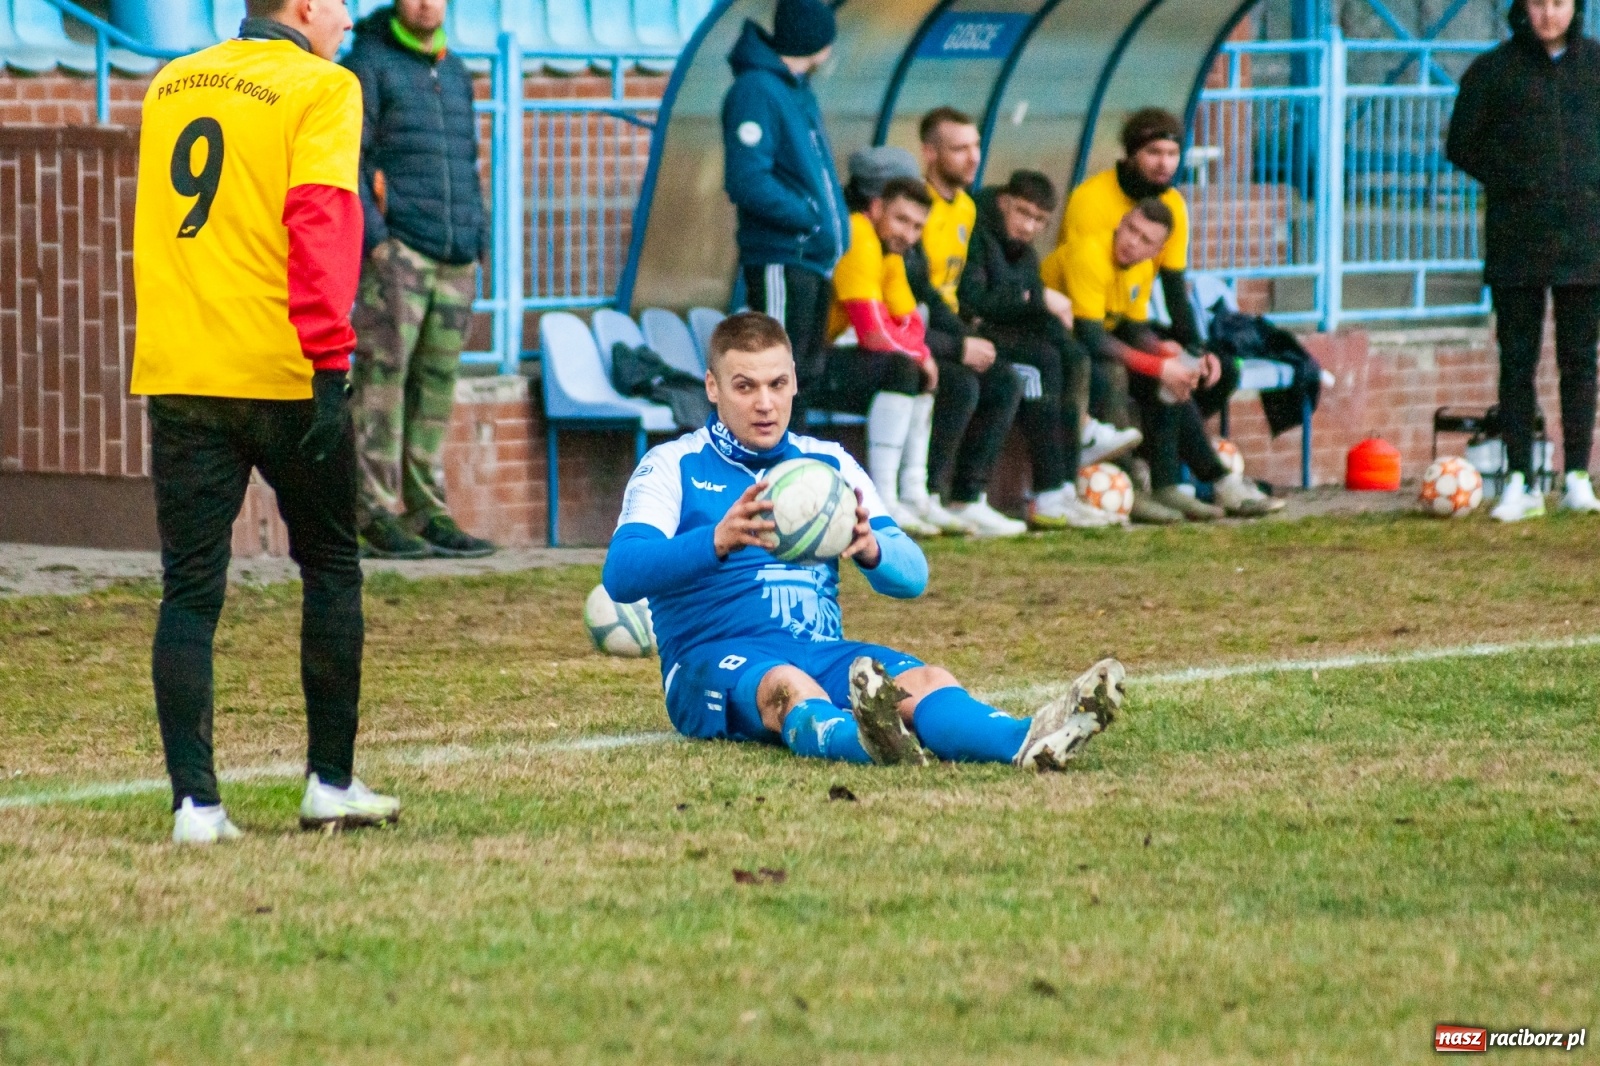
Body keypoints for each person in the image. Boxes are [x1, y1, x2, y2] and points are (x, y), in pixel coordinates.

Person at [601, 311, 1125, 769]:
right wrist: (714, 541)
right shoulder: (673, 465)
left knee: (924, 680)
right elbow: (622, 574)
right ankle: (866, 739)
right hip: (712, 661)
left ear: (794, 383)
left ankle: (1024, 739)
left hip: (821, 648)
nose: (765, 403)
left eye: (777, 384)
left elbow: (913, 576)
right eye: (745, 386)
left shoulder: (828, 465)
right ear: (712, 388)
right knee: (785, 684)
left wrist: (871, 549)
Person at [131, 0, 401, 844]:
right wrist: (331, 358)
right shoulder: (323, 87)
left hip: (180, 367)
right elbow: (321, 221)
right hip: (283, 368)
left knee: (190, 590)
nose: (351, 17)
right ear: (306, 8)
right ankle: (329, 783)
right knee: (330, 565)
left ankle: (195, 807)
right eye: (342, 5)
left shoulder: (170, 82)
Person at [344, 0, 496, 560]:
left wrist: (476, 237)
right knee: (381, 384)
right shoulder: (369, 63)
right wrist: (378, 241)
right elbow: (351, 161)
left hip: (456, 254)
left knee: (435, 389)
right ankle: (374, 511)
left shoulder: (454, 70)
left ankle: (426, 509)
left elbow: (468, 160)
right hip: (400, 254)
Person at [1447, 0, 1600, 521]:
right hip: (1517, 239)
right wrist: (1515, 179)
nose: (1548, 14)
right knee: (1518, 361)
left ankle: (1577, 474)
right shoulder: (1493, 71)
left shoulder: (1596, 67)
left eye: (1559, 3)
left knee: (1579, 360)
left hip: (1585, 240)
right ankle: (1519, 478)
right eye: (1538, 3)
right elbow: (1461, 143)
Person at [1048, 200, 1279, 521]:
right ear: (1122, 222)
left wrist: (1164, 352)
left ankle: (1175, 484)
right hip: (1058, 346)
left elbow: (1133, 327)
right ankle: (1139, 488)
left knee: (1172, 375)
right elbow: (1090, 335)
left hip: (1092, 346)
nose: (1132, 242)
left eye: (1146, 241)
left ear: (1158, 250)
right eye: (1131, 230)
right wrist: (1160, 366)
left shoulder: (1142, 268)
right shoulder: (1089, 253)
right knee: (1119, 373)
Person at [959, 171, 1130, 529]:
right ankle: (1046, 493)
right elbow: (974, 301)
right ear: (1004, 202)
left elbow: (1031, 303)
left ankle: (1066, 483)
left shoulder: (1025, 253)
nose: (1029, 226)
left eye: (1039, 220)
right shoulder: (977, 233)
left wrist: (1039, 306)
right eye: (1023, 213)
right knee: (1041, 366)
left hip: (1007, 334)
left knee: (1071, 355)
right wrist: (1032, 298)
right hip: (974, 336)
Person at [1059, 107, 1225, 466]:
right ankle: (1142, 478)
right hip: (1076, 326)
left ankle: (1180, 473)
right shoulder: (1091, 202)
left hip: (1118, 321)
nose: (1164, 164)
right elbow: (1088, 328)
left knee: (1213, 369)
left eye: (1171, 154)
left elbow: (1173, 289)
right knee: (1118, 372)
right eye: (1153, 153)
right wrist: (1158, 364)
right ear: (1131, 155)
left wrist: (1192, 351)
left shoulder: (1172, 206)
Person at [722, 0, 849, 427]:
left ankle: (795, 474)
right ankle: (768, 475)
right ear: (815, 40)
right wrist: (809, 218)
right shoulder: (757, 90)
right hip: (783, 256)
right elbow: (747, 180)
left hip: (811, 257)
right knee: (773, 373)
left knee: (804, 375)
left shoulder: (797, 91)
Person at [905, 107, 1027, 537]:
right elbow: (918, 290)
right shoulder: (915, 207)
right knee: (961, 383)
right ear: (929, 153)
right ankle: (930, 495)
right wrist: (959, 343)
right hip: (912, 324)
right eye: (959, 148)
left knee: (1005, 379)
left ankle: (967, 497)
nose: (973, 157)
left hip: (946, 323)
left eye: (975, 146)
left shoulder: (967, 209)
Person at [824, 152, 943, 537]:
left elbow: (908, 321)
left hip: (827, 359)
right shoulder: (859, 236)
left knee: (917, 370)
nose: (908, 234)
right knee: (900, 368)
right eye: (901, 220)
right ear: (876, 208)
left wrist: (923, 355)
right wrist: (918, 357)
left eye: (917, 227)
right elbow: (873, 333)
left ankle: (914, 494)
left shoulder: (890, 251)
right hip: (801, 365)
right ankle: (883, 501)